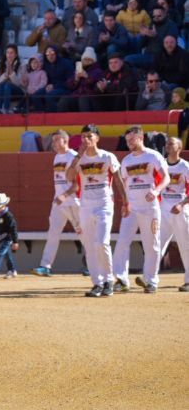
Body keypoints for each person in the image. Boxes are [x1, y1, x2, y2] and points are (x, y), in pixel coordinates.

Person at [56, 123, 128, 298]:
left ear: (97, 138)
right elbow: (69, 177)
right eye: (83, 137)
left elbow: (118, 180)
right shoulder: (79, 159)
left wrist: (126, 202)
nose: (86, 139)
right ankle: (97, 283)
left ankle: (109, 280)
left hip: (104, 204)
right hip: (86, 205)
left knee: (102, 242)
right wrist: (78, 157)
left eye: (89, 136)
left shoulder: (107, 156)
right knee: (89, 245)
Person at [112, 124, 167, 293]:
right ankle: (121, 279)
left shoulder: (154, 156)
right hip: (132, 209)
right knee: (122, 242)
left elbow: (166, 178)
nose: (128, 143)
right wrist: (125, 203)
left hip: (150, 208)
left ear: (141, 138)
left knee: (152, 244)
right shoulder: (127, 160)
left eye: (132, 139)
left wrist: (157, 190)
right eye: (127, 140)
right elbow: (125, 185)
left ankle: (151, 281)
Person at [34, 128, 85, 278]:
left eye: (57, 140)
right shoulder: (56, 157)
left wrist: (64, 195)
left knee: (83, 234)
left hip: (73, 202)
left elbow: (78, 183)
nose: (54, 143)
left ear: (65, 140)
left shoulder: (74, 157)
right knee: (53, 233)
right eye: (53, 140)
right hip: (58, 203)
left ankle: (92, 263)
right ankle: (45, 266)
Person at [155, 137, 189, 294]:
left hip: (180, 208)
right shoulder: (160, 163)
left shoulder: (185, 166)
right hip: (163, 208)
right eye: (167, 143)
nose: (167, 145)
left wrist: (181, 204)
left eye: (171, 143)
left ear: (180, 147)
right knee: (157, 243)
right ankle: (150, 279)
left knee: (185, 245)